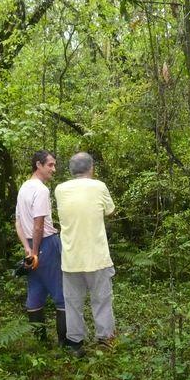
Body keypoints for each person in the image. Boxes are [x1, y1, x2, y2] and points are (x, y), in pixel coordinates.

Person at [55, 152, 116, 355]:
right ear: (91, 168)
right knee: (101, 299)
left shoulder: (60, 189)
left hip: (71, 257)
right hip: (96, 255)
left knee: (73, 302)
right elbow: (110, 211)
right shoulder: (99, 186)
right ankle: (105, 339)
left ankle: (75, 343)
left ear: (71, 170)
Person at [14, 150, 66, 346]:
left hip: (31, 245)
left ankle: (40, 344)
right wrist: (35, 251)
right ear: (38, 165)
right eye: (50, 165)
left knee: (35, 292)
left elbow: (18, 222)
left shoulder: (24, 188)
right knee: (61, 294)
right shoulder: (41, 190)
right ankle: (65, 344)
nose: (54, 169)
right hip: (46, 244)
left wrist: (27, 249)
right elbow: (38, 223)